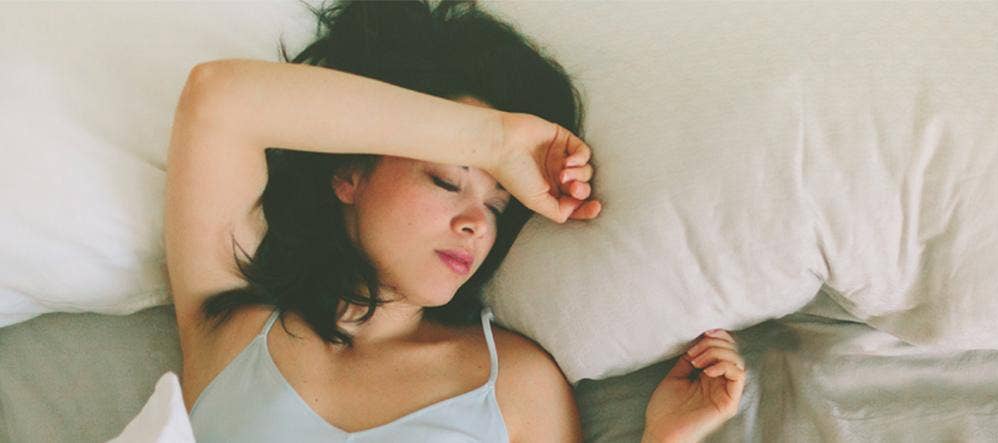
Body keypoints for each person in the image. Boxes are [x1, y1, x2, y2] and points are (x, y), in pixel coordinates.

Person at [164, 1, 746, 442]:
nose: (476, 224)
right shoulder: (231, 327)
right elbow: (218, 100)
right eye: (447, 180)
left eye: (498, 206)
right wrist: (494, 143)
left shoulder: (515, 385)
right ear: (349, 176)